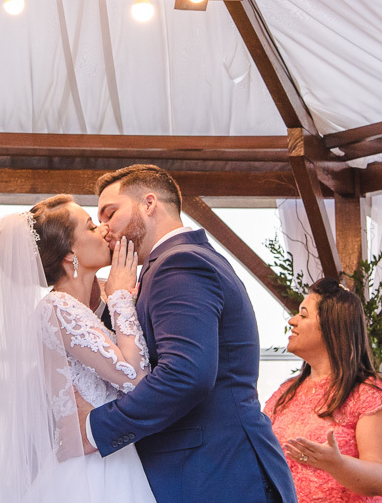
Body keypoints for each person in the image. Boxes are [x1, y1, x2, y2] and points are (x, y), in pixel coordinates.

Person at [83, 165, 297, 503]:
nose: (105, 228)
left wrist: (96, 428)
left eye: (110, 213)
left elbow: (186, 373)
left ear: (149, 203)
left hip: (217, 474)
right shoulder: (173, 264)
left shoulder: (178, 263)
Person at [0, 194, 158, 503]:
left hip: (110, 457)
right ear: (70, 252)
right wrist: (121, 296)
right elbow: (135, 377)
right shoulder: (57, 307)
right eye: (89, 226)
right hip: (92, 475)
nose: (102, 229)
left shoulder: (74, 310)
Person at [263, 278, 382, 503]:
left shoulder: (370, 395)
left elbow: (381, 478)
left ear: (332, 325)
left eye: (303, 314)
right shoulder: (286, 392)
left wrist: (336, 464)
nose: (292, 321)